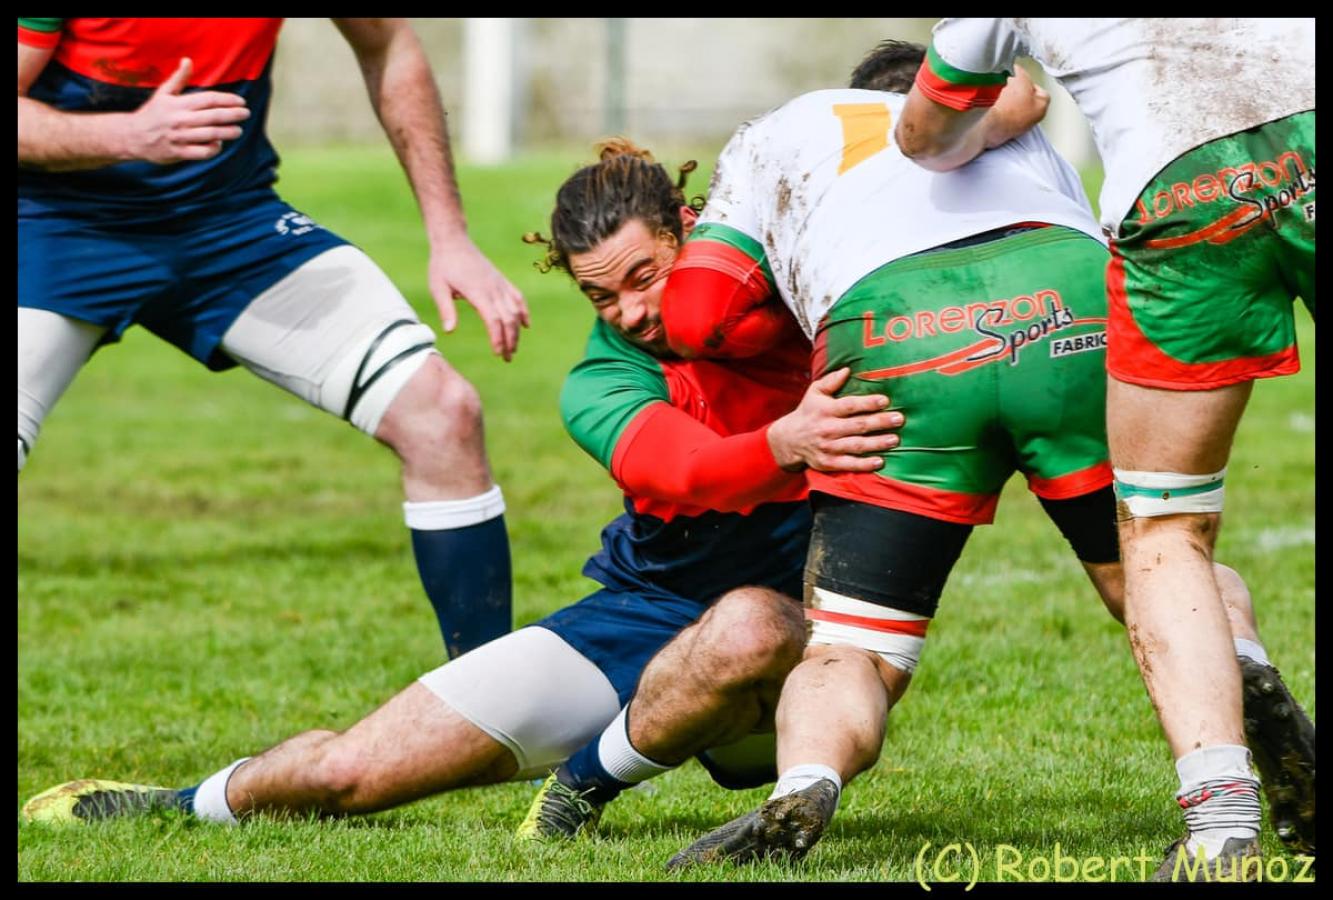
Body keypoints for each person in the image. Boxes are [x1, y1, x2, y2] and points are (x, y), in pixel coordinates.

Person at [558, 40, 1312, 877]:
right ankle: (1235, 676)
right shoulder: (1015, 122)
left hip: (895, 332)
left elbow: (696, 317)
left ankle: (802, 782)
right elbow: (1009, 101)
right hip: (1067, 296)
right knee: (1160, 551)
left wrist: (803, 310)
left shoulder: (788, 129)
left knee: (852, 644)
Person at [20, 141, 904, 833]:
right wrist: (787, 442)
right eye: (604, 297)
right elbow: (668, 467)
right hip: (645, 619)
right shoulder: (601, 380)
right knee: (347, 773)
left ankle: (582, 788)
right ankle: (180, 805)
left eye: (646, 276)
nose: (633, 311)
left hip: (805, 653)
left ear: (691, 227)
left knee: (752, 624)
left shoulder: (817, 306)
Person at [894, 19, 1315, 879]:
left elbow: (925, 132)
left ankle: (1219, 823)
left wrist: (971, 133)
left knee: (1163, 529)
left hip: (1179, 185)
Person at [17, 17, 528, 659]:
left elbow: (389, 43)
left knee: (442, 413)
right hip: (53, 226)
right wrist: (125, 133)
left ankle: (486, 715)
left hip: (228, 223)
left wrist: (449, 234)